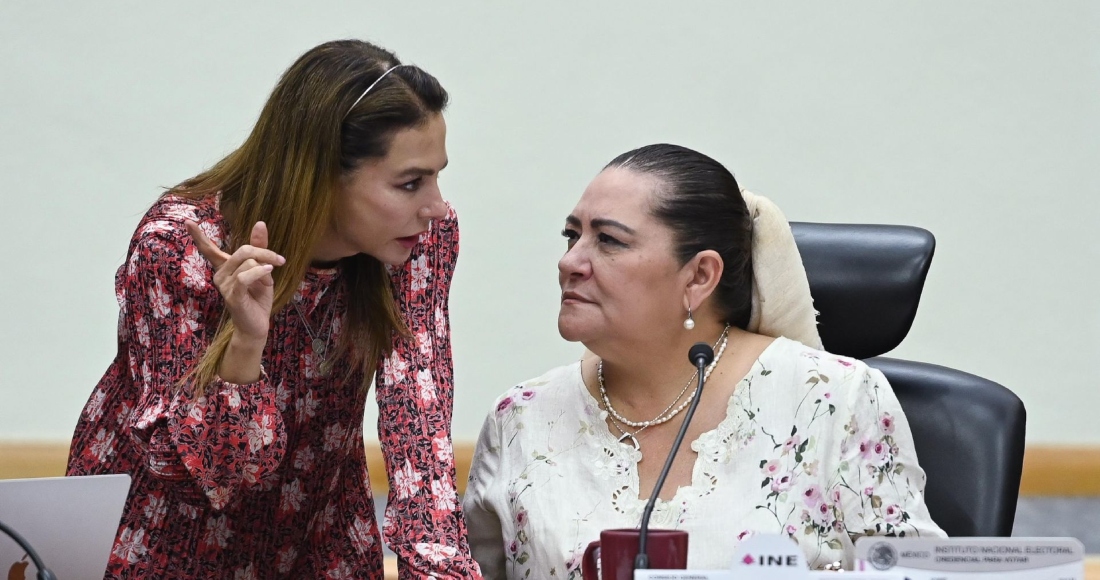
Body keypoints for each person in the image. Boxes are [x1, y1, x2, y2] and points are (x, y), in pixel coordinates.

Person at [67, 39, 482, 579]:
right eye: (410, 183)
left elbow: (417, 423)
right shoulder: (180, 245)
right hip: (166, 547)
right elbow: (199, 474)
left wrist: (442, 571)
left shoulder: (418, 241)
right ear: (320, 174)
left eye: (436, 175)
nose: (437, 206)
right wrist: (244, 345)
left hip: (315, 543)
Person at [462, 144, 945, 577]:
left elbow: (916, 574)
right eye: (572, 236)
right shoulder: (521, 417)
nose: (571, 262)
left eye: (608, 240)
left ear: (699, 276)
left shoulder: (833, 398)